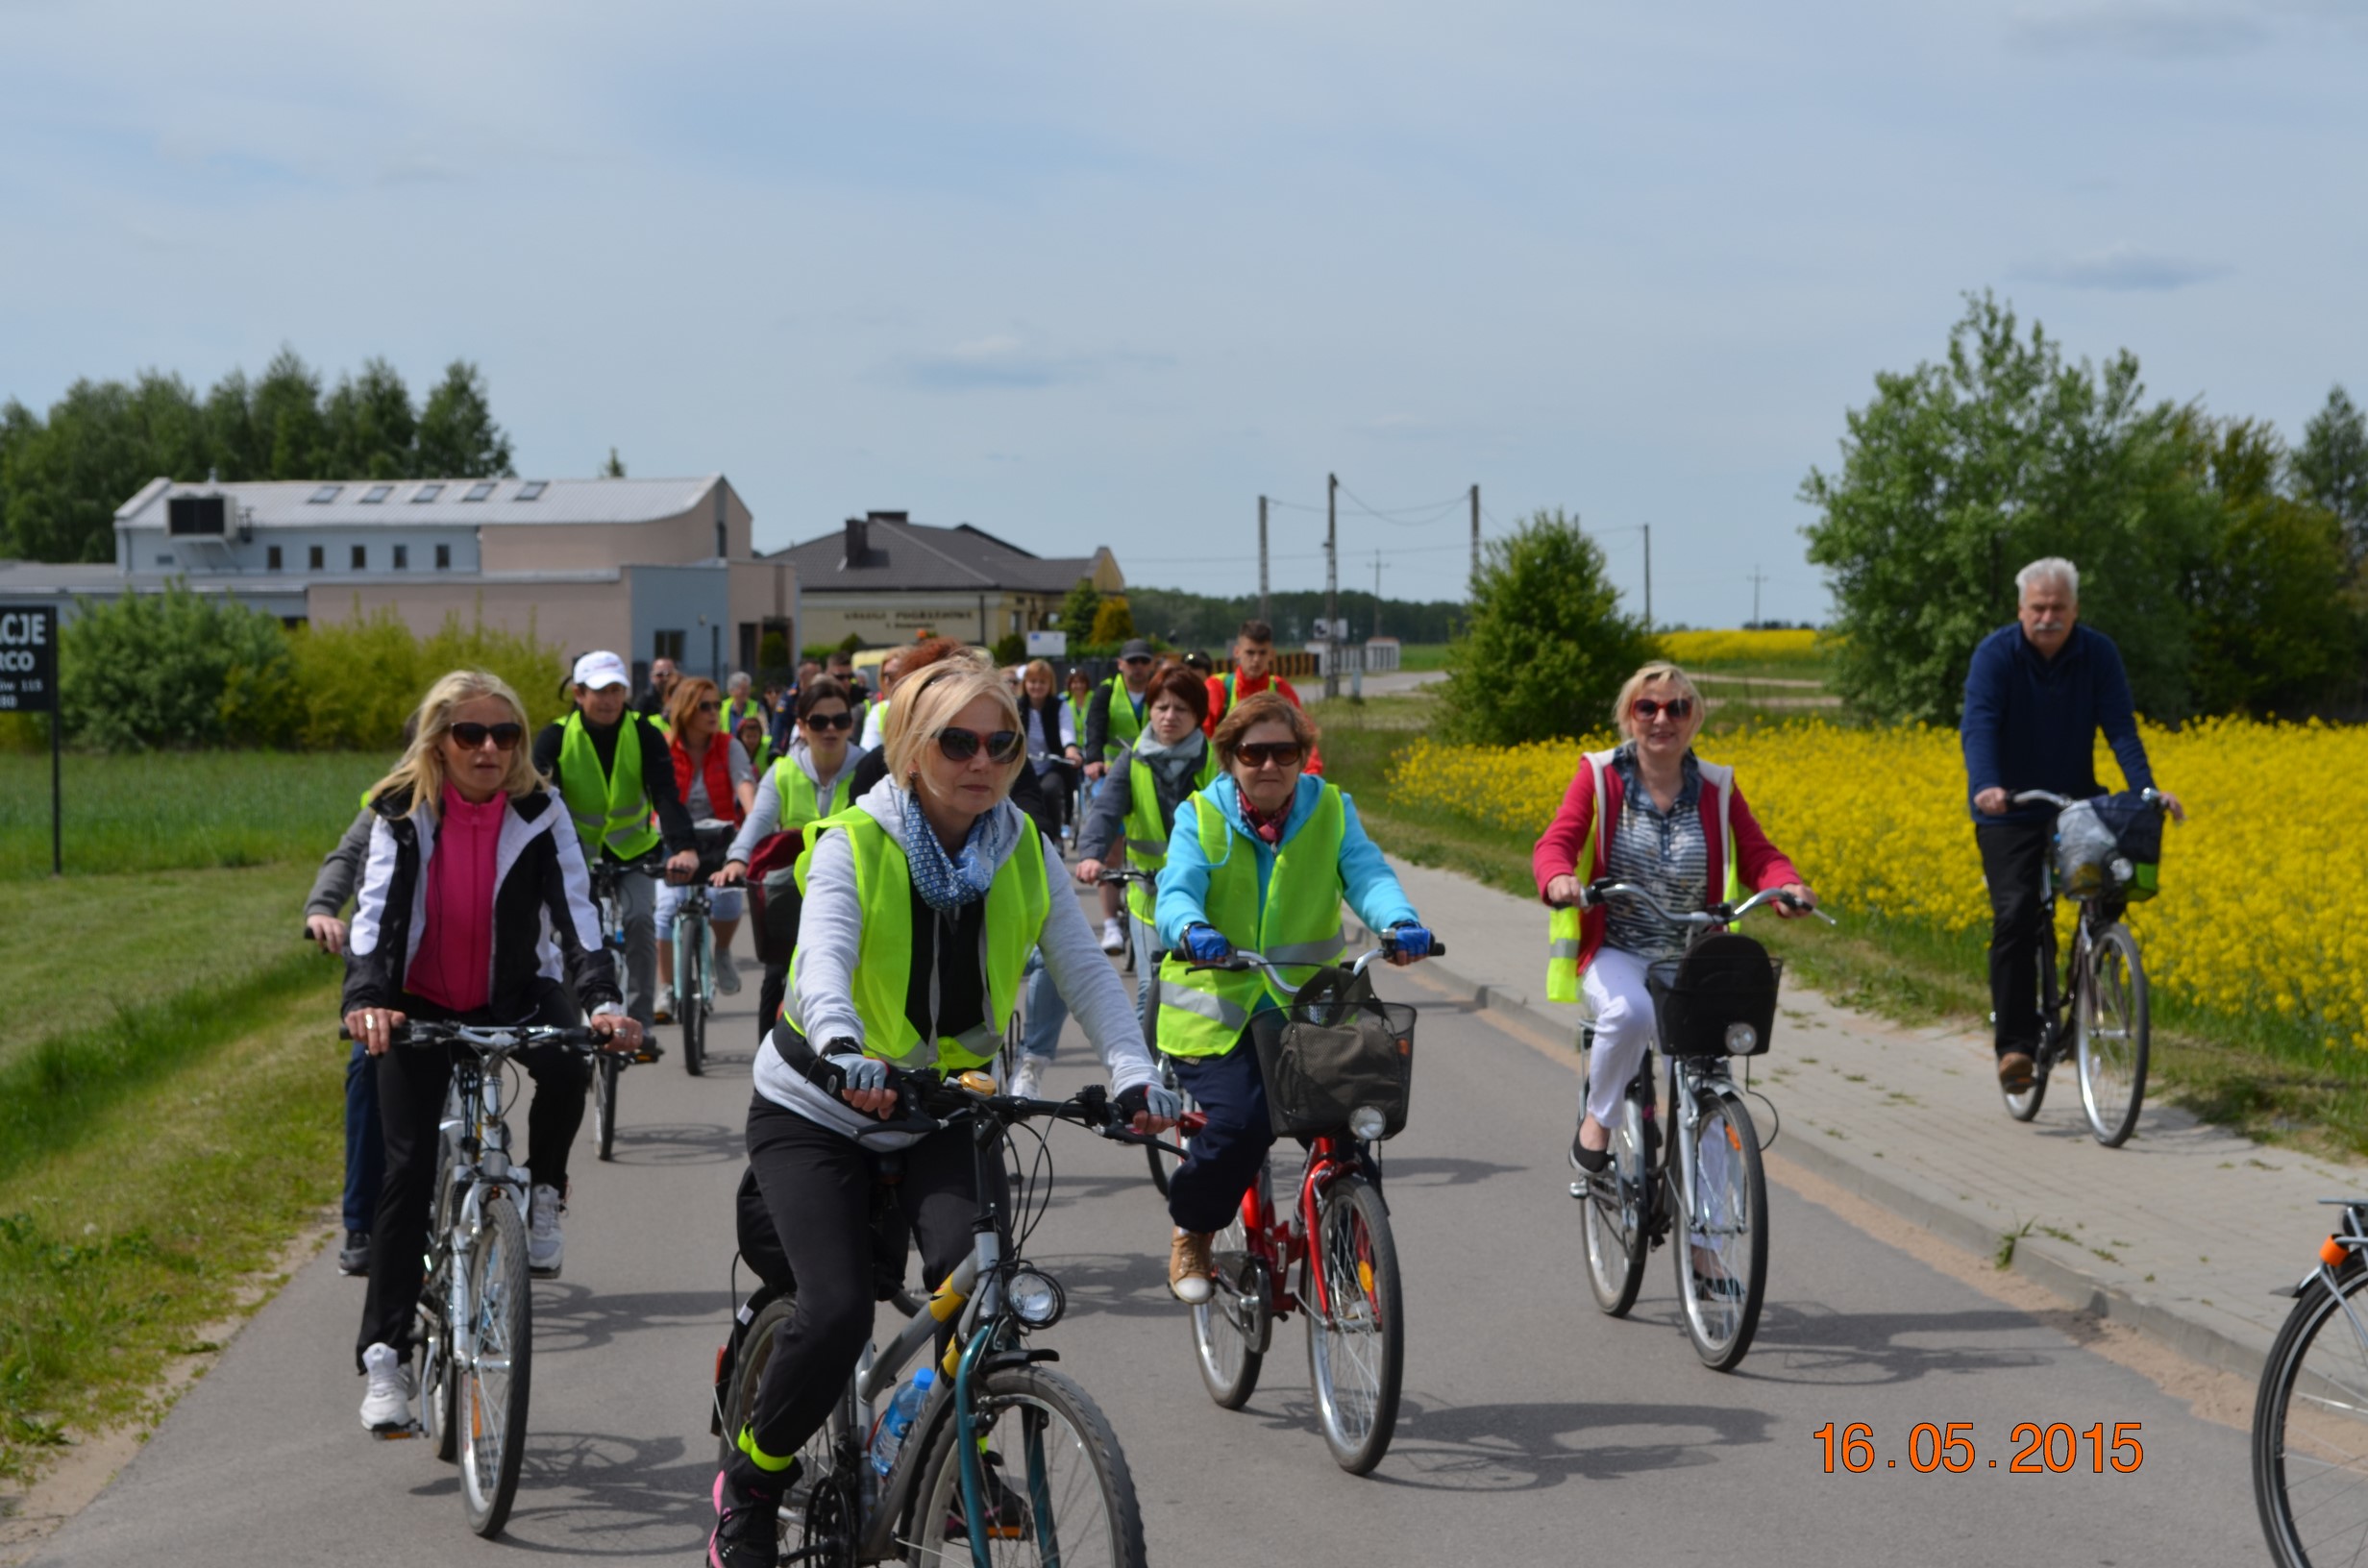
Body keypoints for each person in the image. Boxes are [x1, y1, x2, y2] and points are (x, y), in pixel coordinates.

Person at [706, 659, 1177, 1566]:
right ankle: (754, 1482)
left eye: (1002, 743)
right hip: (818, 1104)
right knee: (837, 1311)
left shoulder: (1024, 846)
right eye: (958, 742)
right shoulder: (853, 840)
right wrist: (843, 1049)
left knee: (986, 1293)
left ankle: (949, 1446)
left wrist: (1131, 1073)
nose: (982, 761)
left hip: (943, 1105)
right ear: (913, 750)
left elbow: (1085, 970)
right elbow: (823, 959)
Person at [343, 670, 644, 1433]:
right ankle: (385, 1360)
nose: (489, 749)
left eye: (504, 735)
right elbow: (374, 915)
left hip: (514, 989)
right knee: (408, 1169)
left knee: (571, 1060)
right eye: (469, 734)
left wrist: (604, 1002)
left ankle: (543, 1194)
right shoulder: (400, 810)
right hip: (415, 998)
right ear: (438, 741)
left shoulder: (541, 811)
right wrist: (367, 998)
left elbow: (576, 916)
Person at [1152, 693, 1432, 1303]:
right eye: (1254, 752)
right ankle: (1193, 1228)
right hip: (1216, 1015)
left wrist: (1399, 920)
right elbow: (1176, 891)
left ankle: (1350, 1253)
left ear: (1303, 756)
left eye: (1284, 752)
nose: (1269, 765)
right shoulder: (1200, 815)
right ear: (1230, 757)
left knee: (1351, 1125)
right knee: (1241, 1126)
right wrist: (1191, 928)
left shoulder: (1330, 808)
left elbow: (1367, 874)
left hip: (1307, 1008)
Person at [1532, 663, 1817, 1176]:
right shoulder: (1600, 775)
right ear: (1628, 717)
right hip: (1618, 949)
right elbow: (1559, 839)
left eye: (1677, 708)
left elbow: (1759, 854)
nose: (1662, 719)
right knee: (1630, 1014)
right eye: (1648, 707)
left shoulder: (1716, 786)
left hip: (1693, 957)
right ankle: (1599, 1119)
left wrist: (1787, 886)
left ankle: (1713, 1227)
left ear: (1694, 719)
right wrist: (1557, 877)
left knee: (1707, 1082)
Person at [1961, 557, 2184, 1093]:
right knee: (2016, 915)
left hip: (2074, 804)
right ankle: (2015, 1047)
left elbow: (2121, 729)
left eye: (2058, 607)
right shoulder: (1996, 655)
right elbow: (1980, 724)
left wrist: (2147, 791)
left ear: (2075, 609)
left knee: (2111, 888)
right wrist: (1987, 785)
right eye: (2038, 607)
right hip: (2008, 809)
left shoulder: (2097, 654)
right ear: (2021, 609)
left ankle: (2092, 970)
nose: (2048, 617)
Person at [533, 650, 700, 1059]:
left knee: (641, 920)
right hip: (574, 857)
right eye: (599, 691)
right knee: (568, 936)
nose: (609, 700)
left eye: (616, 690)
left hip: (634, 852)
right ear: (578, 694)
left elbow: (665, 794)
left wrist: (684, 847)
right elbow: (534, 802)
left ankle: (639, 1026)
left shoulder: (644, 732)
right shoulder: (555, 737)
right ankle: (569, 1030)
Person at [1072, 661, 1217, 1077]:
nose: (1169, 716)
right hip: (1149, 895)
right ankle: (1140, 1080)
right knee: (1151, 988)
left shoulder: (1215, 761)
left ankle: (1202, 1071)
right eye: (1161, 707)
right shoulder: (1133, 758)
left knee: (1206, 987)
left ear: (1198, 716)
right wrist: (1092, 853)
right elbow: (1105, 810)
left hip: (1208, 892)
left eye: (1181, 709)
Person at [719, 676, 868, 1039]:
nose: (830, 729)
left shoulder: (869, 767)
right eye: (819, 721)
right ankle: (767, 1060)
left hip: (857, 890)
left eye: (840, 721)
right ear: (801, 726)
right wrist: (738, 858)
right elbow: (759, 819)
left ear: (851, 725)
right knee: (776, 974)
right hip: (796, 891)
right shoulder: (784, 770)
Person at [306, 805, 384, 1276]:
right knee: (367, 1066)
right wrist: (322, 909)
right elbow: (346, 858)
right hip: (390, 968)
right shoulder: (394, 800)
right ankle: (361, 1224)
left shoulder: (500, 794)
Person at [655, 676, 759, 1014]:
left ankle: (722, 951)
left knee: (727, 898)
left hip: (719, 837)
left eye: (716, 705)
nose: (714, 712)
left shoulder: (729, 746)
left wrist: (755, 820)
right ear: (685, 710)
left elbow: (744, 785)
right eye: (705, 706)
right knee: (666, 910)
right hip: (674, 837)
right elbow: (650, 793)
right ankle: (666, 989)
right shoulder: (665, 747)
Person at [1083, 639, 1161, 953]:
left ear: (1151, 664)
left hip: (1153, 775)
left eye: (1143, 661)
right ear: (1120, 664)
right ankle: (1111, 925)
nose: (1138, 667)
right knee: (1111, 852)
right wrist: (1093, 759)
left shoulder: (1160, 690)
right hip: (1112, 773)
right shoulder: (1106, 691)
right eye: (1132, 662)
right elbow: (1095, 728)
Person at [1204, 619, 1324, 775]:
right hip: (1224, 779)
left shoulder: (1281, 689)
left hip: (1269, 778)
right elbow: (1200, 738)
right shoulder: (1218, 687)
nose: (1256, 660)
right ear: (1237, 652)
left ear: (1272, 654)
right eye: (1250, 652)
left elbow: (1304, 735)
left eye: (1262, 653)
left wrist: (1310, 776)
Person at [1016, 657, 1082, 845]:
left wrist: (1071, 750)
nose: (1037, 686)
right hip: (1023, 766)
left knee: (1049, 790)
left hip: (1051, 766)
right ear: (1025, 683)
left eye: (1042, 682)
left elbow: (1067, 732)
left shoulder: (1060, 707)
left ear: (1050, 684)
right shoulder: (1016, 706)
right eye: (1033, 681)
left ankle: (1056, 837)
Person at [857, 647, 915, 752]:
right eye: (884, 676)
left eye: (893, 675)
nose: (887, 682)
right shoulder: (879, 710)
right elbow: (867, 754)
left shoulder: (929, 706)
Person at [721, 671, 766, 742]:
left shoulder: (757, 707)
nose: (746, 692)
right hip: (726, 746)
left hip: (750, 747)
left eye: (748, 688)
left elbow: (764, 731)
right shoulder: (721, 707)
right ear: (731, 691)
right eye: (743, 689)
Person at [734, 707, 776, 775]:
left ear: (760, 735)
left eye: (755, 736)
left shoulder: (769, 746)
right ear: (741, 737)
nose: (752, 740)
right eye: (748, 737)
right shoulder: (735, 752)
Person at [639, 655, 680, 723]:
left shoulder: (683, 697)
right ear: (652, 677)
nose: (665, 678)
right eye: (660, 675)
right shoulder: (645, 700)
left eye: (669, 674)